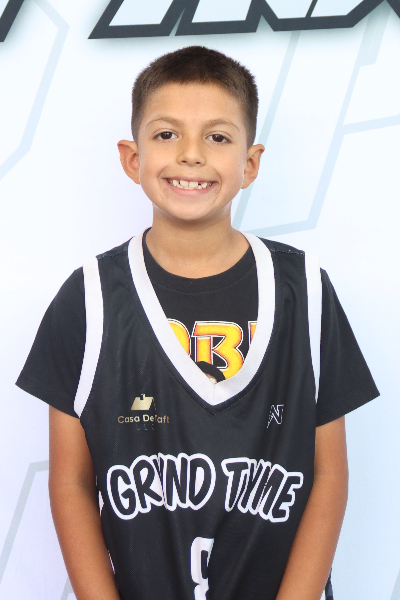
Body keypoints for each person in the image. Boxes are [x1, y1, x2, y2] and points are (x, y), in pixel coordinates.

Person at [16, 46, 379, 600]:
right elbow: (70, 482)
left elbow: (329, 474)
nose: (191, 155)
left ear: (250, 163)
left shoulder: (303, 291)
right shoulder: (88, 298)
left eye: (217, 137)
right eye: (166, 134)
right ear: (132, 158)